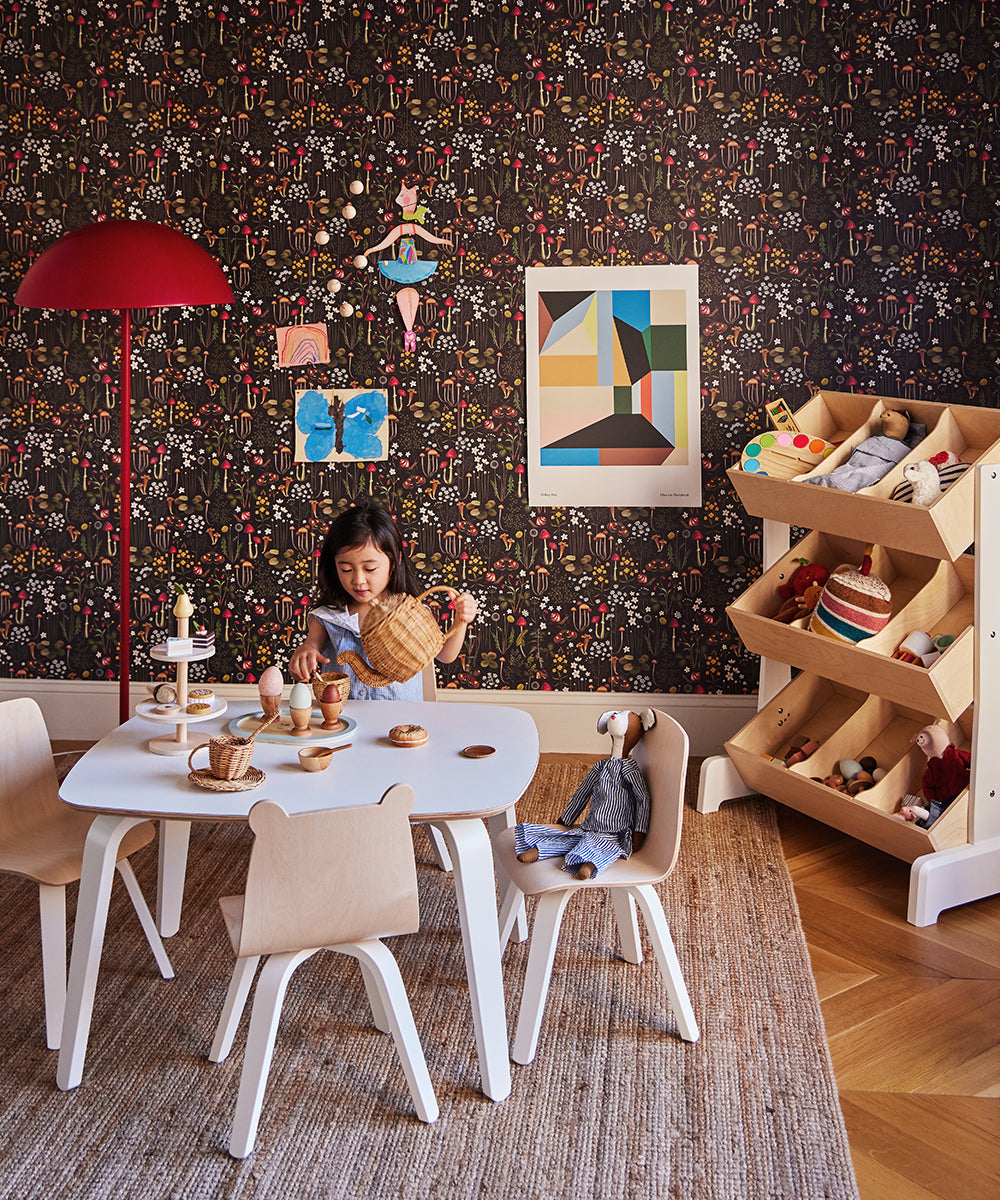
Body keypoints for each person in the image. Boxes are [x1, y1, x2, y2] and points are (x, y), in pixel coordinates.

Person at [288, 499, 477, 699]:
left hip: (402, 720)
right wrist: (305, 653)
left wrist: (461, 620)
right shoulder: (329, 616)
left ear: (393, 563)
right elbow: (311, 646)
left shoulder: (410, 613)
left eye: (370, 569)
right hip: (344, 722)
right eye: (346, 569)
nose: (358, 580)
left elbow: (446, 655)